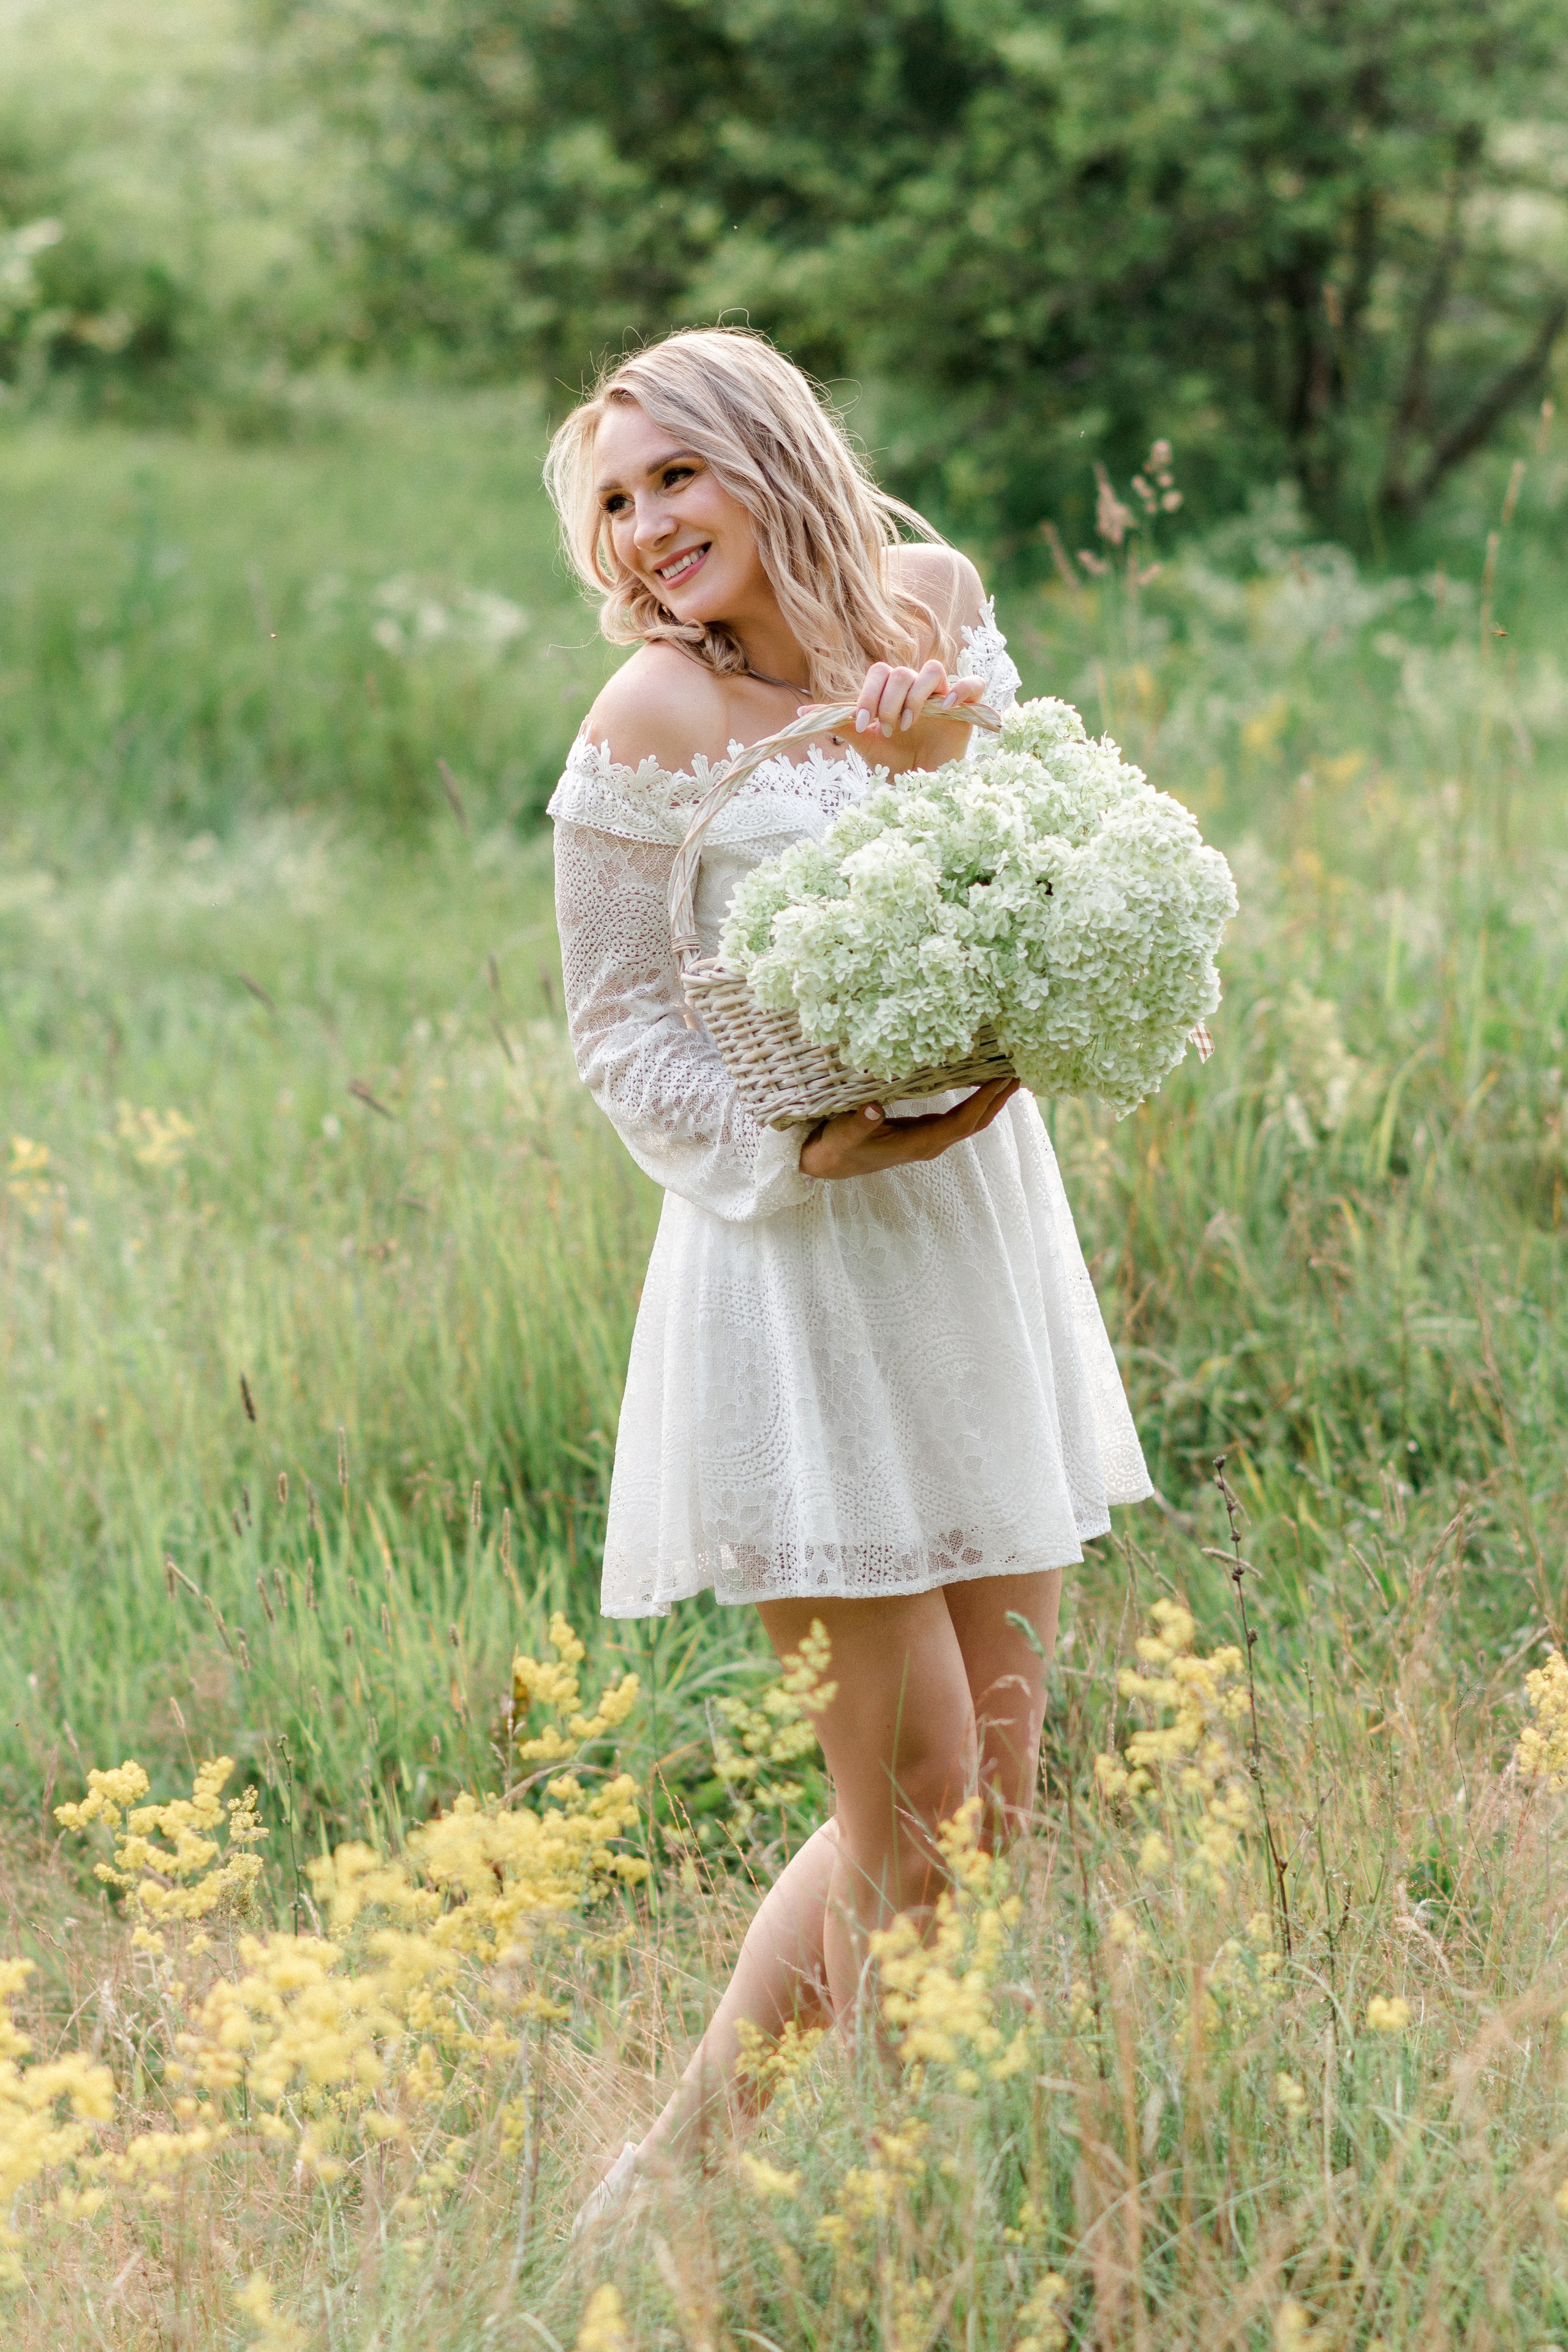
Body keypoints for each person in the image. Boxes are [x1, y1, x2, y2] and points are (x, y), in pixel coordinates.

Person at [543, 326, 1150, 2224]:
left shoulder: (934, 602)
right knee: (921, 1812)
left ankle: (744, 2183)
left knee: (1001, 1782)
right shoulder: (649, 722)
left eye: (672, 479)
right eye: (617, 505)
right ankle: (805, 2204)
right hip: (793, 1270)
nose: (646, 532)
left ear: (768, 453)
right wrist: (802, 1143)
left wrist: (942, 751)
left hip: (975, 1236)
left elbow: (1023, 874)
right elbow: (621, 1027)